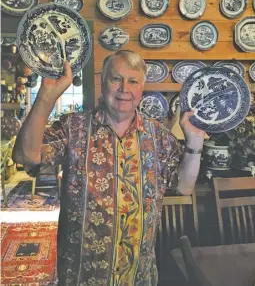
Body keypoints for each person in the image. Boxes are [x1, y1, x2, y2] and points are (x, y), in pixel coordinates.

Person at [12, 50, 205, 286]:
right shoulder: (74, 127)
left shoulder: (160, 137)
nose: (124, 88)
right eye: (116, 79)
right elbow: (26, 157)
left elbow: (184, 186)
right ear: (103, 83)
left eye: (133, 81)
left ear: (141, 88)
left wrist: (195, 143)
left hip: (138, 277)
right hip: (81, 276)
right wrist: (46, 96)